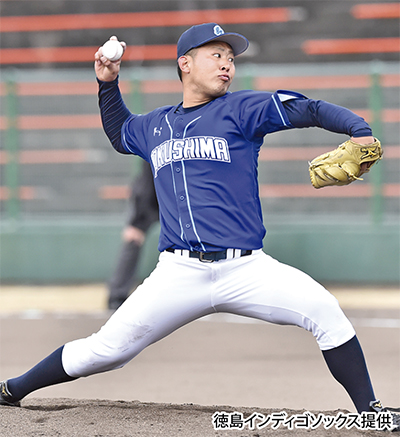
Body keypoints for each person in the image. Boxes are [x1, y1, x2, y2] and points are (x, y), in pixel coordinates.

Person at [1, 23, 398, 430]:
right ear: (185, 64)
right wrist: (107, 83)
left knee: (324, 310)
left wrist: (359, 130)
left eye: (230, 58)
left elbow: (308, 108)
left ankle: (371, 412)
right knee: (105, 351)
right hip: (179, 272)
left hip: (246, 268)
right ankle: (11, 389)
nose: (227, 64)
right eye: (216, 55)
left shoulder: (243, 109)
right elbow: (120, 133)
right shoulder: (155, 125)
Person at [107, 161, 158, 310]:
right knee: (133, 239)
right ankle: (116, 296)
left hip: (173, 197)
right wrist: (137, 221)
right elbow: (146, 183)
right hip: (149, 197)